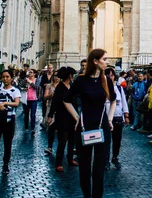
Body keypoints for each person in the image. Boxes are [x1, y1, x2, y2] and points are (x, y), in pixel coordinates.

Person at [64, 49, 117, 198]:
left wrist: (110, 118)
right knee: (85, 168)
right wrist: (77, 118)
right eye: (104, 59)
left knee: (99, 169)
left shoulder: (106, 80)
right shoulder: (81, 80)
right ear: (95, 61)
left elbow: (113, 101)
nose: (107, 62)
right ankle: (87, 195)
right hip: (84, 126)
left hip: (102, 126)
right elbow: (66, 99)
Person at [0, 69, 21, 175]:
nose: (5, 79)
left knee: (7, 143)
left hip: (9, 119)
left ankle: (6, 164)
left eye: (7, 77)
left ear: (11, 78)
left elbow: (16, 103)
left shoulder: (15, 90)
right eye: (3, 77)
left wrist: (6, 103)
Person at [47, 66, 78, 172]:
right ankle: (58, 162)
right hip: (62, 117)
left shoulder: (72, 86)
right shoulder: (60, 87)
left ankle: (70, 159)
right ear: (69, 76)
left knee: (72, 139)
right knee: (62, 140)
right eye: (72, 75)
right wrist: (50, 116)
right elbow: (54, 103)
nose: (73, 77)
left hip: (72, 117)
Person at [104, 67, 129, 169]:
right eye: (108, 75)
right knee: (106, 140)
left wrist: (126, 115)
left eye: (112, 75)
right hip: (106, 117)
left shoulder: (119, 88)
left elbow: (124, 102)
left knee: (117, 140)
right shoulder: (102, 88)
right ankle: (105, 160)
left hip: (118, 117)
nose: (110, 77)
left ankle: (115, 157)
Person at [43, 70, 60, 157]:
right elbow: (45, 97)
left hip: (60, 109)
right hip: (50, 108)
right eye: (55, 76)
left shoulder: (62, 86)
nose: (56, 78)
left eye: (58, 76)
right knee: (51, 129)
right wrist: (51, 95)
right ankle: (50, 147)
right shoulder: (49, 86)